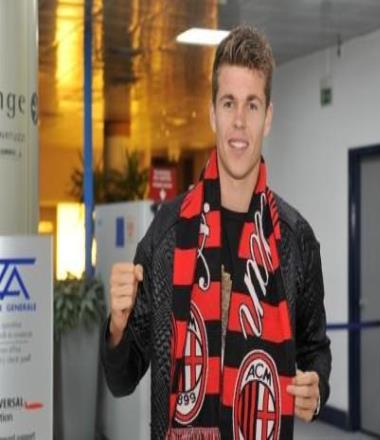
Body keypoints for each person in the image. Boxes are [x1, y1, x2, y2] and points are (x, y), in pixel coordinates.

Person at [101, 25, 331, 440]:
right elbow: (121, 380)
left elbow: (315, 349)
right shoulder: (168, 235)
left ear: (268, 117)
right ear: (212, 113)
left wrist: (316, 391)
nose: (239, 121)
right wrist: (118, 325)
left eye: (251, 105)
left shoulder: (295, 240)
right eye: (228, 103)